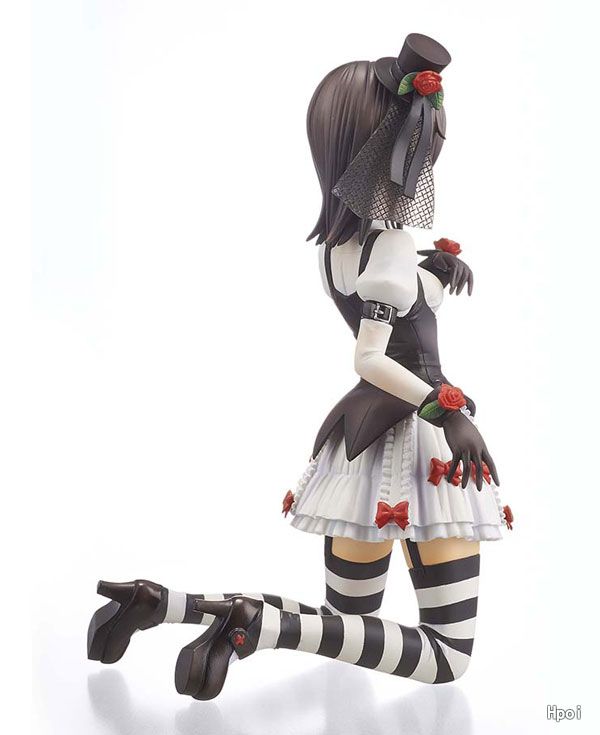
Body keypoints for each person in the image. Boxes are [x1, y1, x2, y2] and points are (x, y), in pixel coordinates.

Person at [87, 32, 513, 700]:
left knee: (344, 623)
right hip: (421, 440)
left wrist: (432, 271)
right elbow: (370, 354)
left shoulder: (338, 248)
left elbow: (386, 301)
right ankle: (254, 626)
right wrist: (447, 410)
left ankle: (163, 602)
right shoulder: (390, 247)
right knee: (449, 655)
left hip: (360, 445)